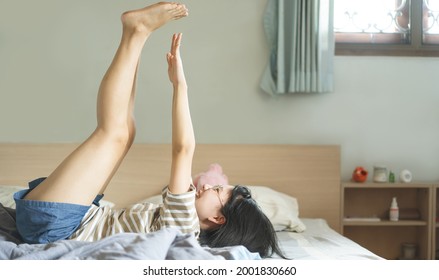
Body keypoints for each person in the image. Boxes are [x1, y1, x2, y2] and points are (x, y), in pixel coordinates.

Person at [13, 2, 285, 259]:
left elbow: (183, 149)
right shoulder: (179, 224)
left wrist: (180, 86)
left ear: (218, 218)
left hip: (56, 228)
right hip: (68, 220)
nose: (205, 188)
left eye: (216, 190)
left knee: (114, 135)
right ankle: (136, 37)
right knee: (126, 131)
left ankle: (137, 32)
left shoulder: (184, 225)